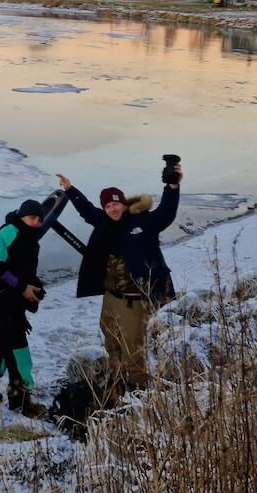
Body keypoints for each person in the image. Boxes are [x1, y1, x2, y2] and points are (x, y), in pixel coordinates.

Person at [57, 164, 182, 399]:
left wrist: (173, 186)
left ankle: (138, 392)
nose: (112, 208)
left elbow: (167, 213)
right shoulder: (103, 221)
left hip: (134, 299)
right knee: (110, 338)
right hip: (111, 296)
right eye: (108, 205)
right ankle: (117, 381)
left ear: (124, 204)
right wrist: (70, 189)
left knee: (132, 347)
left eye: (116, 203)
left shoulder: (144, 222)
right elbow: (86, 211)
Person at [0, 199, 52, 417]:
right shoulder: (7, 233)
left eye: (38, 220)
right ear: (22, 216)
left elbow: (24, 270)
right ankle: (21, 399)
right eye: (31, 218)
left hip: (13, 301)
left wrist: (35, 286)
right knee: (19, 351)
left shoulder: (32, 239)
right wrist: (22, 287)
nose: (35, 223)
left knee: (1, 345)